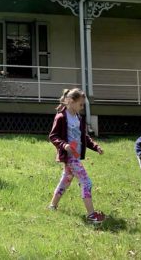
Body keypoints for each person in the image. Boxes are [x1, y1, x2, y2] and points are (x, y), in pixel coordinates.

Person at [47, 88, 106, 224]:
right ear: (71, 102)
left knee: (66, 180)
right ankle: (91, 215)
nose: (82, 107)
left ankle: (52, 206)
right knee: (86, 182)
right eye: (81, 104)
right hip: (70, 157)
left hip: (76, 156)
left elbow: (83, 137)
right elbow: (53, 136)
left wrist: (95, 147)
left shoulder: (78, 118)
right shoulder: (61, 117)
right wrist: (64, 145)